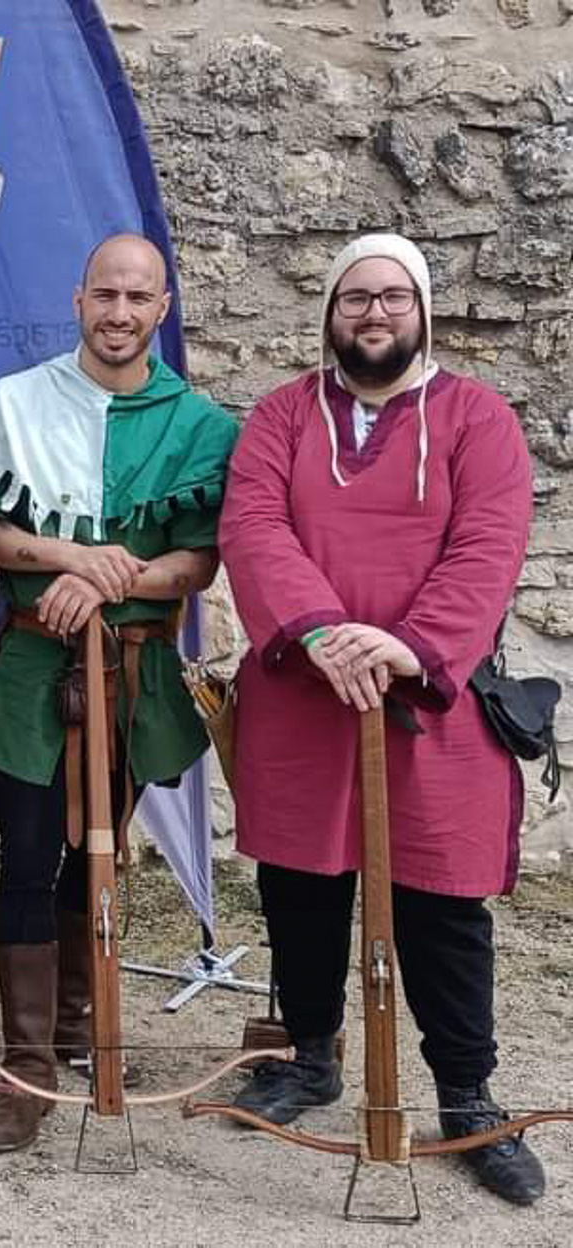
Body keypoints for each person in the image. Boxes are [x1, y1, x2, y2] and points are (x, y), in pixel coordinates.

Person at [217, 232, 542, 1205]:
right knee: (300, 888)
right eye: (354, 298)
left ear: (421, 310)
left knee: (442, 902)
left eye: (391, 298)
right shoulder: (279, 415)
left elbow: (488, 542)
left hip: (428, 697)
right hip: (303, 694)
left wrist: (403, 646)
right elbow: (251, 526)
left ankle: (466, 1097)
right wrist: (318, 633)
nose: (372, 314)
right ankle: (310, 1057)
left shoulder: (475, 418)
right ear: (327, 312)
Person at [0, 233, 239, 1152]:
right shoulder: (16, 405)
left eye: (139, 298)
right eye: (105, 295)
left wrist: (111, 581)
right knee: (30, 852)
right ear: (78, 301)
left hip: (133, 671)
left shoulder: (198, 422)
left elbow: (199, 560)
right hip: (36, 667)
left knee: (99, 850)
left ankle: (78, 1031)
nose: (120, 313)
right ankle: (28, 1065)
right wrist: (71, 558)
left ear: (164, 308)